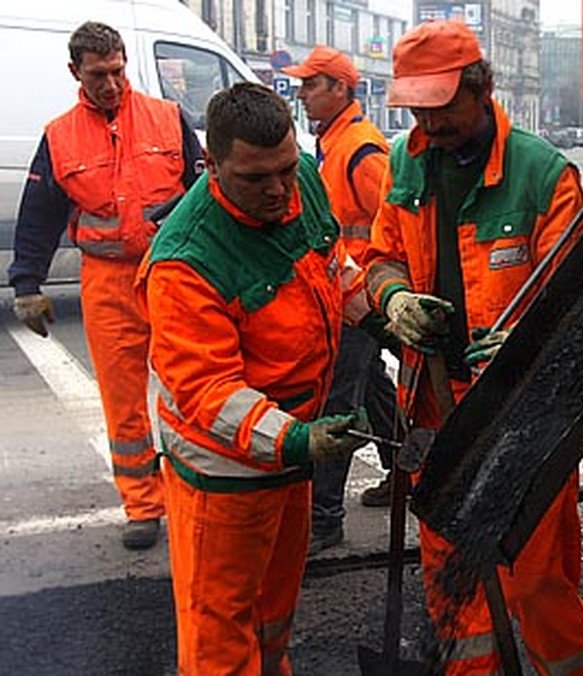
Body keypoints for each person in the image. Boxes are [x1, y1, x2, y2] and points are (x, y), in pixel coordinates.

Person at [360, 19, 583, 676]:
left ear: (483, 88)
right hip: (434, 408)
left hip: (521, 412)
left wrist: (519, 346)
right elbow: (379, 258)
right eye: (416, 111)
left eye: (440, 110)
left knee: (536, 580)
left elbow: (569, 307)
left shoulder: (543, 175)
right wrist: (396, 302)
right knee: (452, 580)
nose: (427, 127)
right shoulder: (407, 163)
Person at [136, 82, 373, 674]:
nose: (277, 190)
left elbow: (329, 264)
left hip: (289, 446)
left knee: (272, 610)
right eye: (254, 177)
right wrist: (301, 440)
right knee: (220, 629)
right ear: (211, 165)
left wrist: (383, 311)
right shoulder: (185, 262)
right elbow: (209, 394)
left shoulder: (302, 183)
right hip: (225, 471)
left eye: (286, 170)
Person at [6, 21, 204, 550]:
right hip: (107, 281)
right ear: (76, 73)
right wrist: (27, 283)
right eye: (99, 75)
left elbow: (205, 192)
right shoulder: (60, 136)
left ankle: (194, 493)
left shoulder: (167, 118)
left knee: (191, 387)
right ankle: (143, 505)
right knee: (123, 403)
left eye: (118, 71)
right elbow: (39, 214)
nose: (112, 84)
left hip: (169, 274)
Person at [281, 45, 399, 554]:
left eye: (311, 85)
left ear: (340, 89)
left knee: (339, 401)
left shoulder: (360, 150)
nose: (301, 94)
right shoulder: (335, 143)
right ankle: (409, 476)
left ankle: (324, 519)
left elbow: (396, 225)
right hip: (347, 294)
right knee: (372, 387)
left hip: (360, 297)